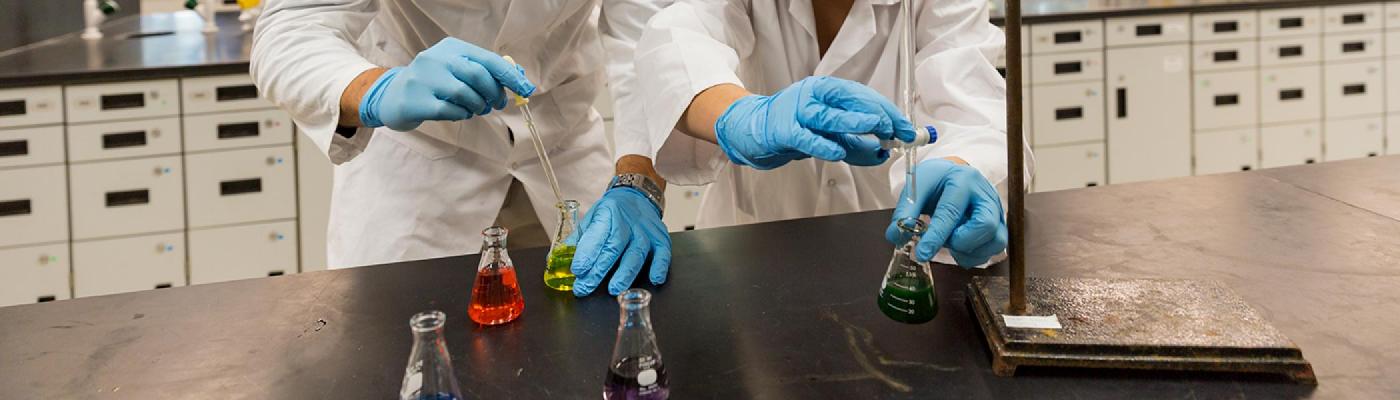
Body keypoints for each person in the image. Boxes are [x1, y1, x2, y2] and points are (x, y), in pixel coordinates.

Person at [569, 0, 1032, 296]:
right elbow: (674, 38)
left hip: (893, 248)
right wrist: (741, 117)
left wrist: (964, 168)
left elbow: (974, 105)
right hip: (750, 258)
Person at [250, 0, 667, 268]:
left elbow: (646, 37)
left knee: (591, 341)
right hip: (420, 151)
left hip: (564, 141)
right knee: (400, 352)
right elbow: (293, 29)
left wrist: (638, 181)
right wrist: (379, 88)